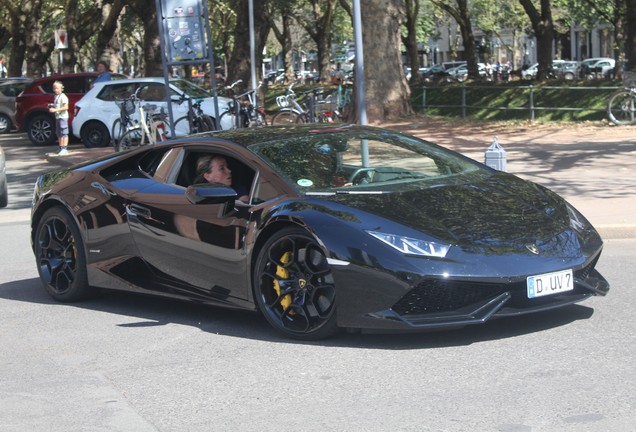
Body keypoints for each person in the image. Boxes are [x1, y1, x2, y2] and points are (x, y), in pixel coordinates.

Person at [48, 81, 69, 156]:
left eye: (57, 88)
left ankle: (64, 148)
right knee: (59, 132)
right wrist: (52, 107)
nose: (55, 90)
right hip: (58, 117)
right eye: (54, 88)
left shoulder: (63, 96)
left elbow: (66, 107)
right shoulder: (56, 96)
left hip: (63, 117)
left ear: (61, 88)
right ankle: (60, 147)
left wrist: (55, 110)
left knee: (64, 132)